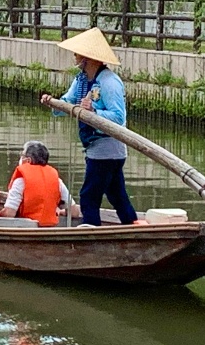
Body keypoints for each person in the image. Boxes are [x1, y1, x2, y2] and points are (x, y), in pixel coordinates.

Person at [40, 27, 139, 226]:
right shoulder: (82, 80)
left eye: (78, 53)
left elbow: (118, 117)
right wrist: (54, 104)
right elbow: (68, 101)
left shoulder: (109, 82)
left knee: (88, 197)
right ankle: (132, 225)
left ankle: (91, 231)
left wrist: (94, 113)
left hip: (107, 149)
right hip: (96, 148)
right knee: (116, 195)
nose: (75, 56)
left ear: (89, 58)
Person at [1, 141, 76, 227]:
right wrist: (64, 212)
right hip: (50, 227)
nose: (20, 157)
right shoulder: (58, 181)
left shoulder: (20, 182)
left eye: (22, 155)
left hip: (26, 228)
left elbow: (9, 214)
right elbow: (74, 212)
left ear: (28, 160)